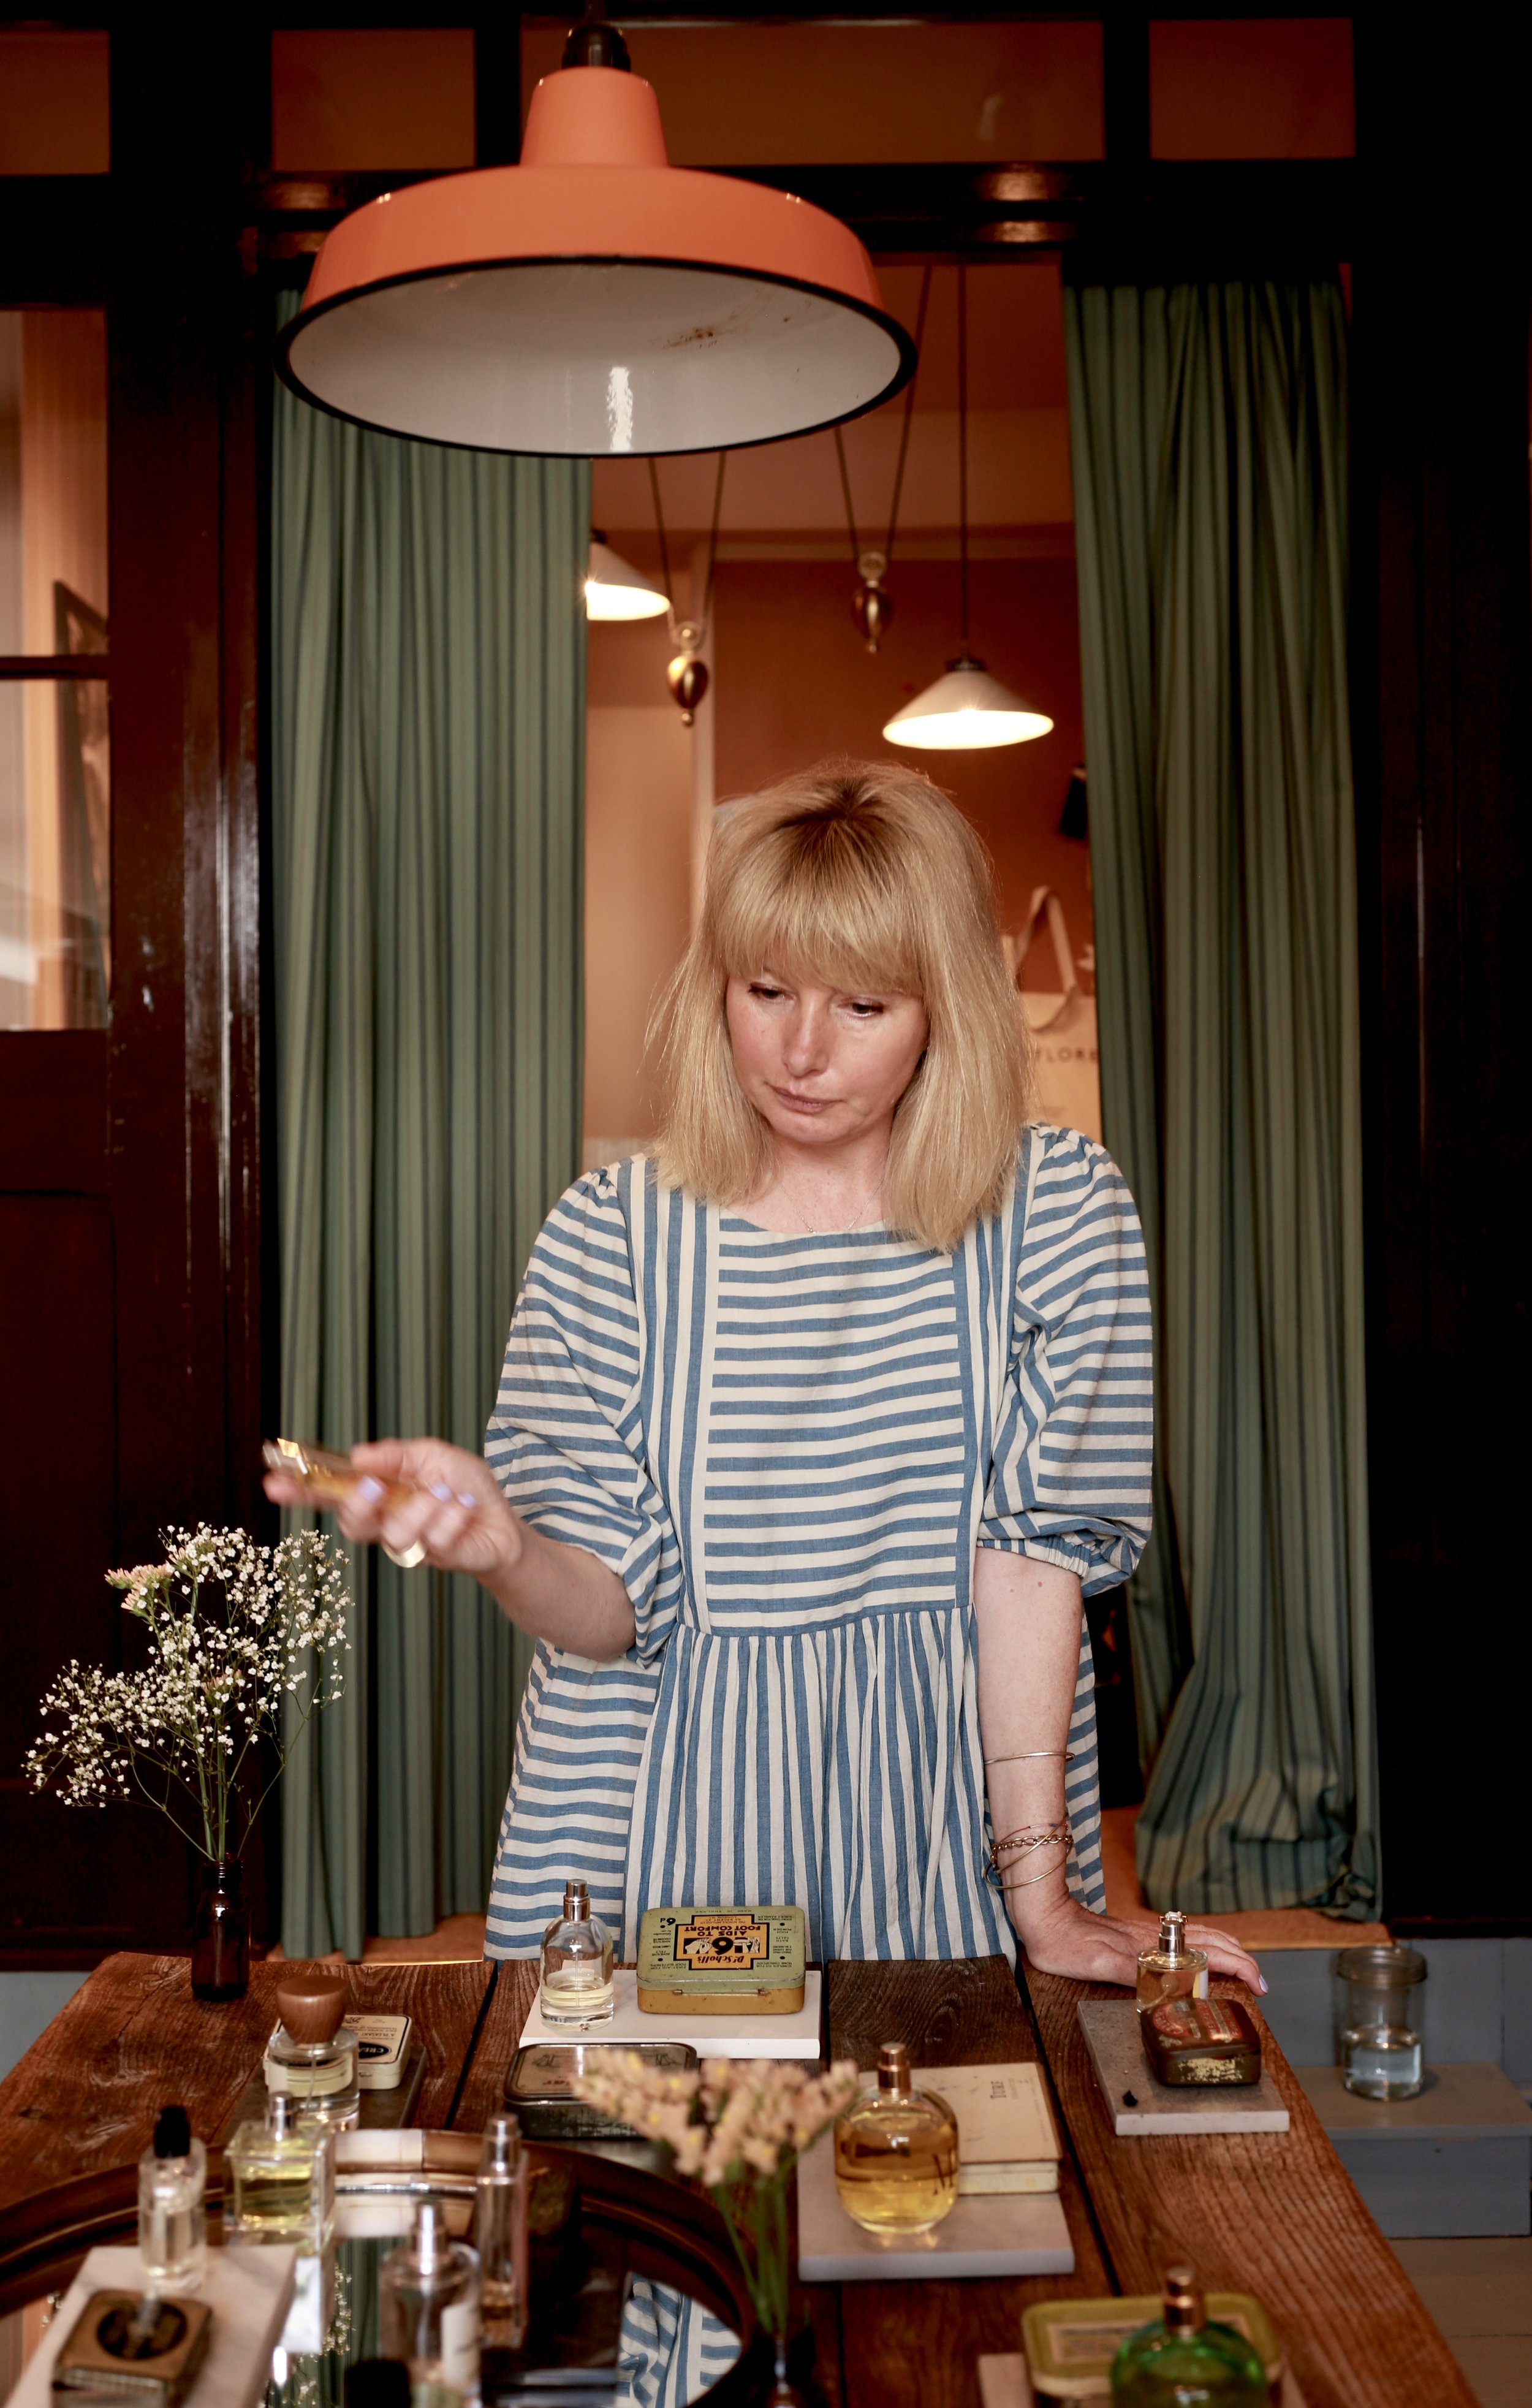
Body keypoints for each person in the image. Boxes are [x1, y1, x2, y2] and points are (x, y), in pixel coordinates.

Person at [267, 761, 1263, 1995]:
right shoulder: (606, 1240)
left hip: (941, 1813)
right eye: (766, 989)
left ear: (942, 1009)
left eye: (863, 1007)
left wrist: (1044, 1896)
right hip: (644, 1833)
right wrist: (501, 1544)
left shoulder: (1051, 1213)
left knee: (942, 2152)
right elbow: (609, 1615)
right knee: (654, 2174)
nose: (799, 1051)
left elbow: (1027, 1570)